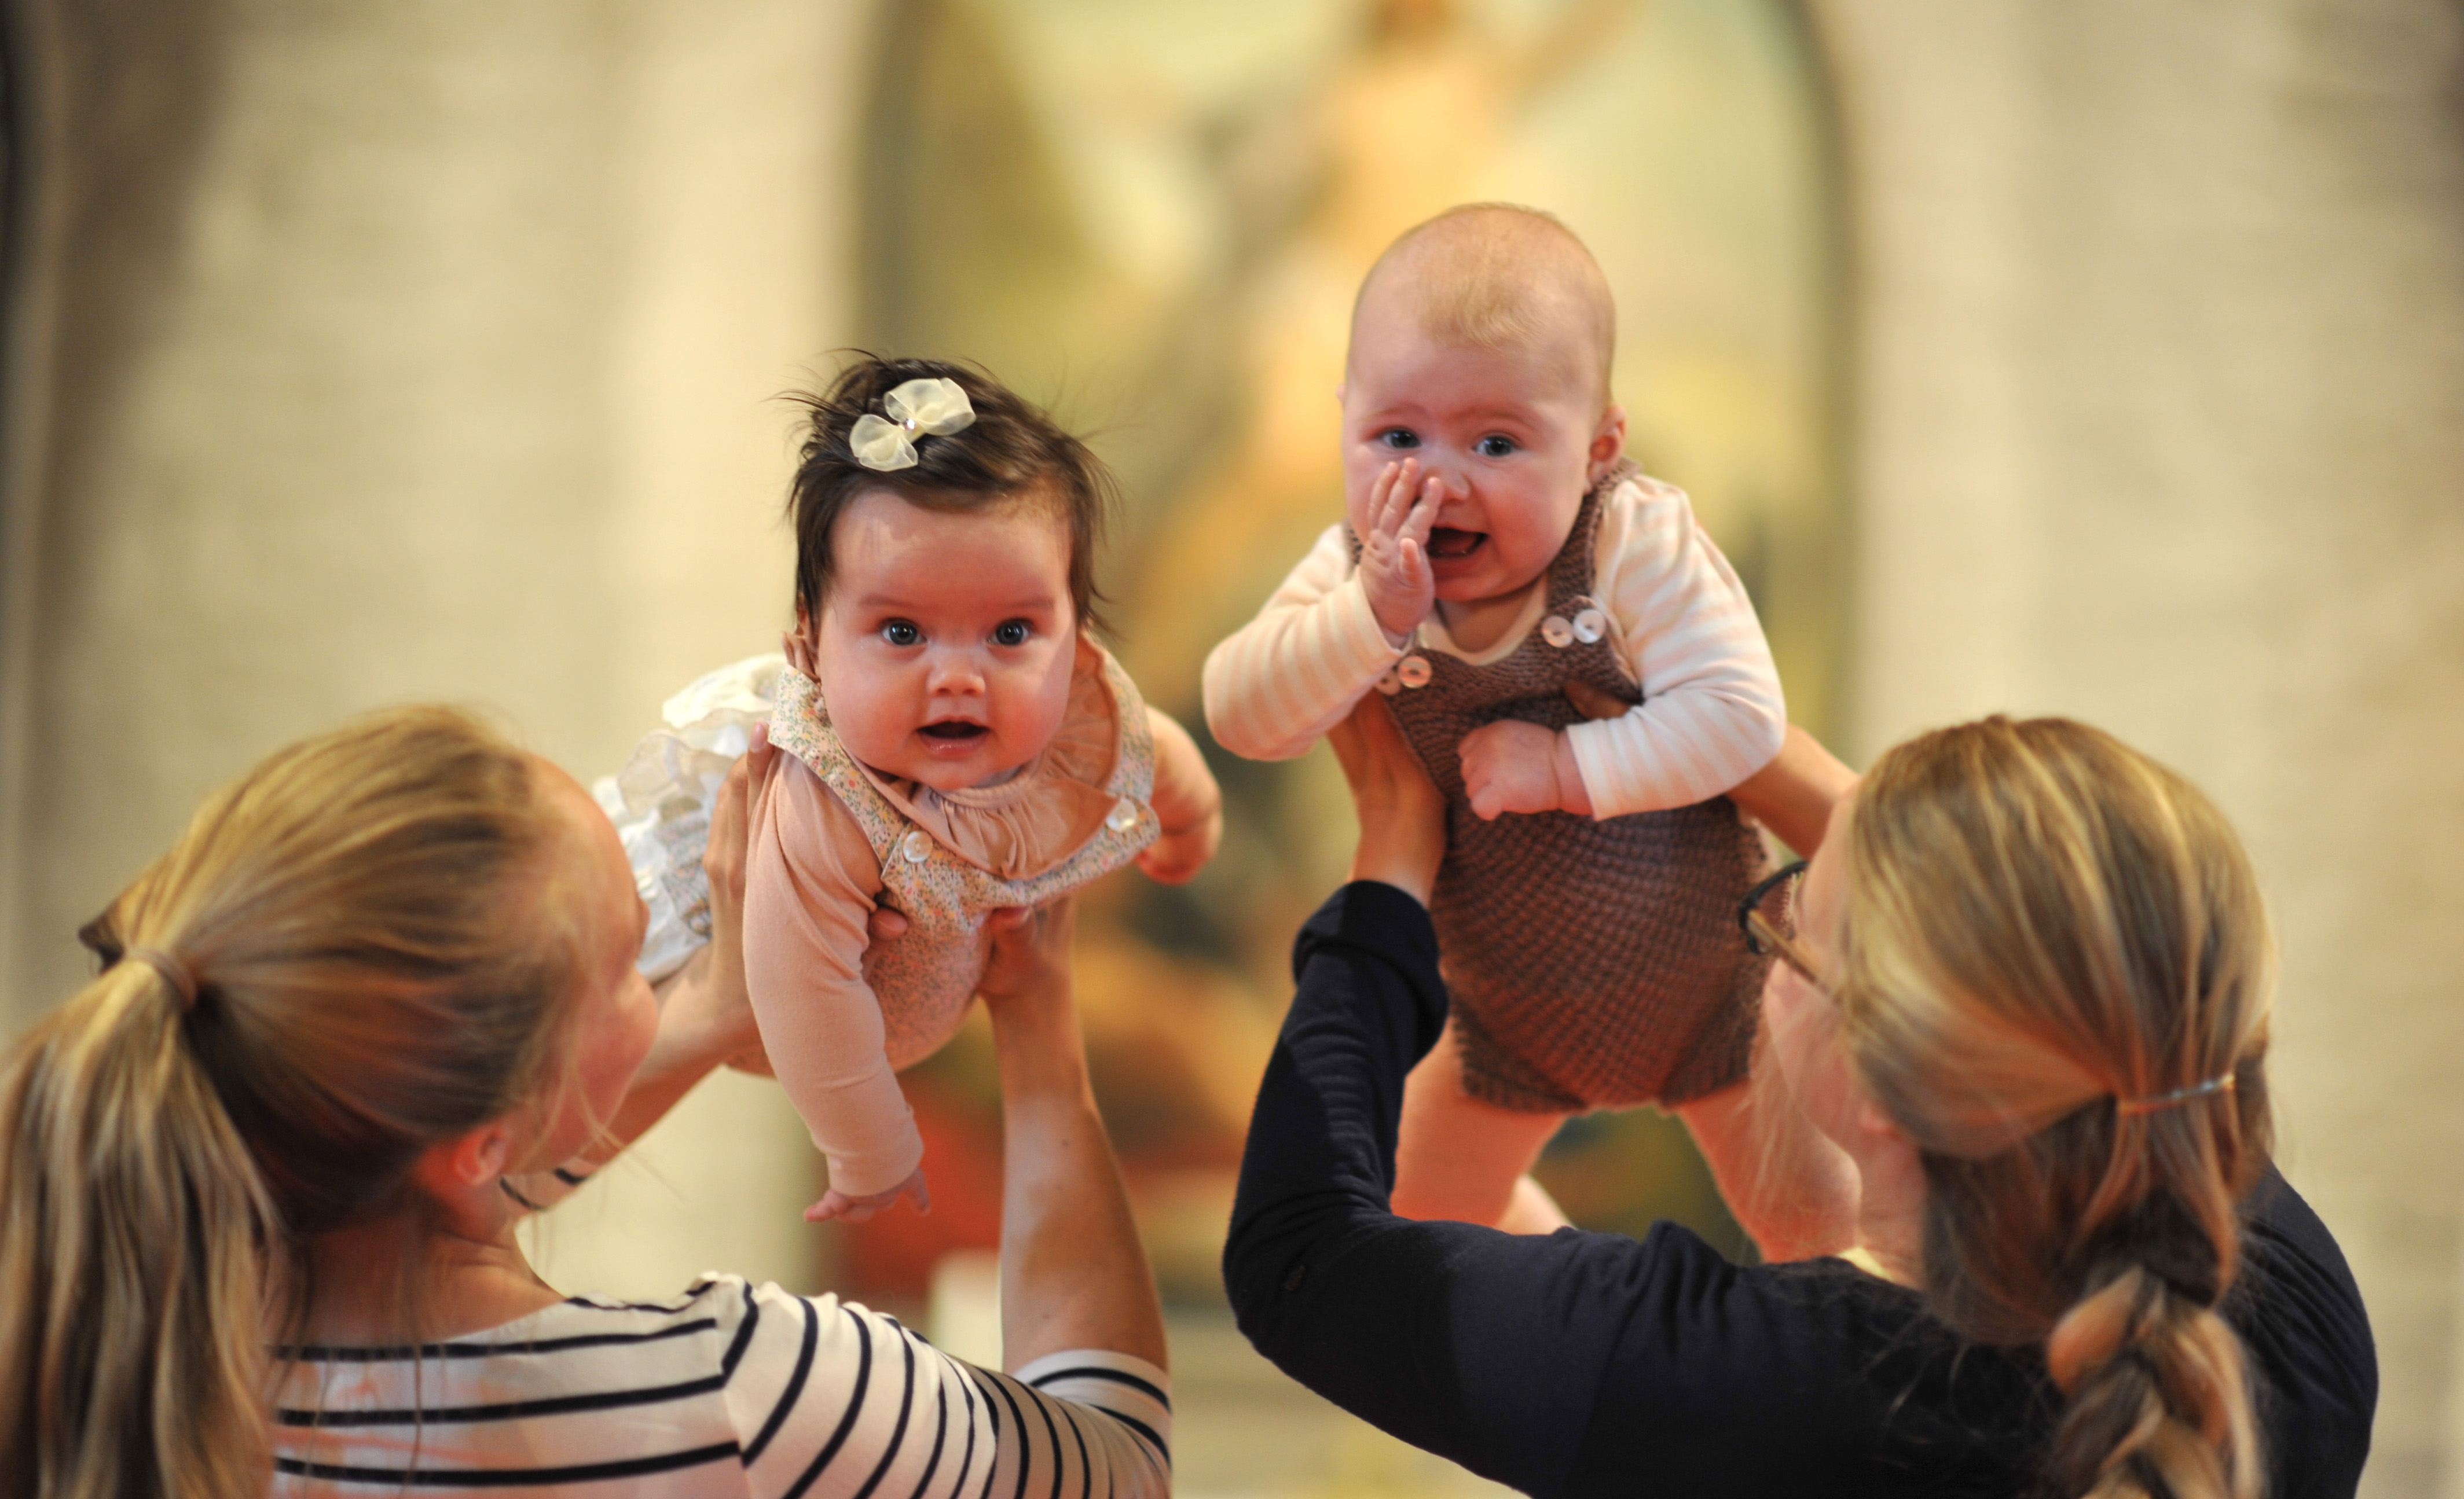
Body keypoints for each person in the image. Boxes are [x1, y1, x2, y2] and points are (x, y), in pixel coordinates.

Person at [0, 705, 1172, 1498]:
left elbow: (439, 1175)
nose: (661, 953)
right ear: (485, 1139)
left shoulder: (129, 1344)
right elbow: (1115, 1462)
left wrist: (715, 1009)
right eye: (626, 959)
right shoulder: (750, 1396)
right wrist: (1039, 1019)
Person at [1223, 697, 2375, 1498]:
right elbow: (2083, 935)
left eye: (1789, 919)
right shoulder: (2282, 1308)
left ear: (1880, 1086)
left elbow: (1300, 1258)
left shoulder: (1797, 1391)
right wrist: (1684, 700)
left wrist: (1387, 867)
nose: (1770, 931)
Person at [1202, 203, 1789, 1238]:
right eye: (1396, 434)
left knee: (1815, 1226)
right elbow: (1240, 711)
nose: (1438, 477)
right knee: (1425, 1234)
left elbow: (1742, 719)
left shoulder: (1630, 542)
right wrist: (1365, 622)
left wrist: (1565, 767)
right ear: (1343, 420)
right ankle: (1573, 1299)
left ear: (1601, 446)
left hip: (1714, 996)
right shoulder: (1356, 568)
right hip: (1505, 1020)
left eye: (1498, 440)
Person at [602, 356, 1221, 1225]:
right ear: (811, 649)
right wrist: (871, 1153)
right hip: (741, 991)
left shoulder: (1078, 720)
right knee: (570, 1053)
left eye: (1011, 632)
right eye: (902, 632)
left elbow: (1160, 753)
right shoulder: (825, 804)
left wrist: (1189, 824)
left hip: (919, 1001)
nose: (958, 677)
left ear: (1078, 647)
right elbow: (800, 990)